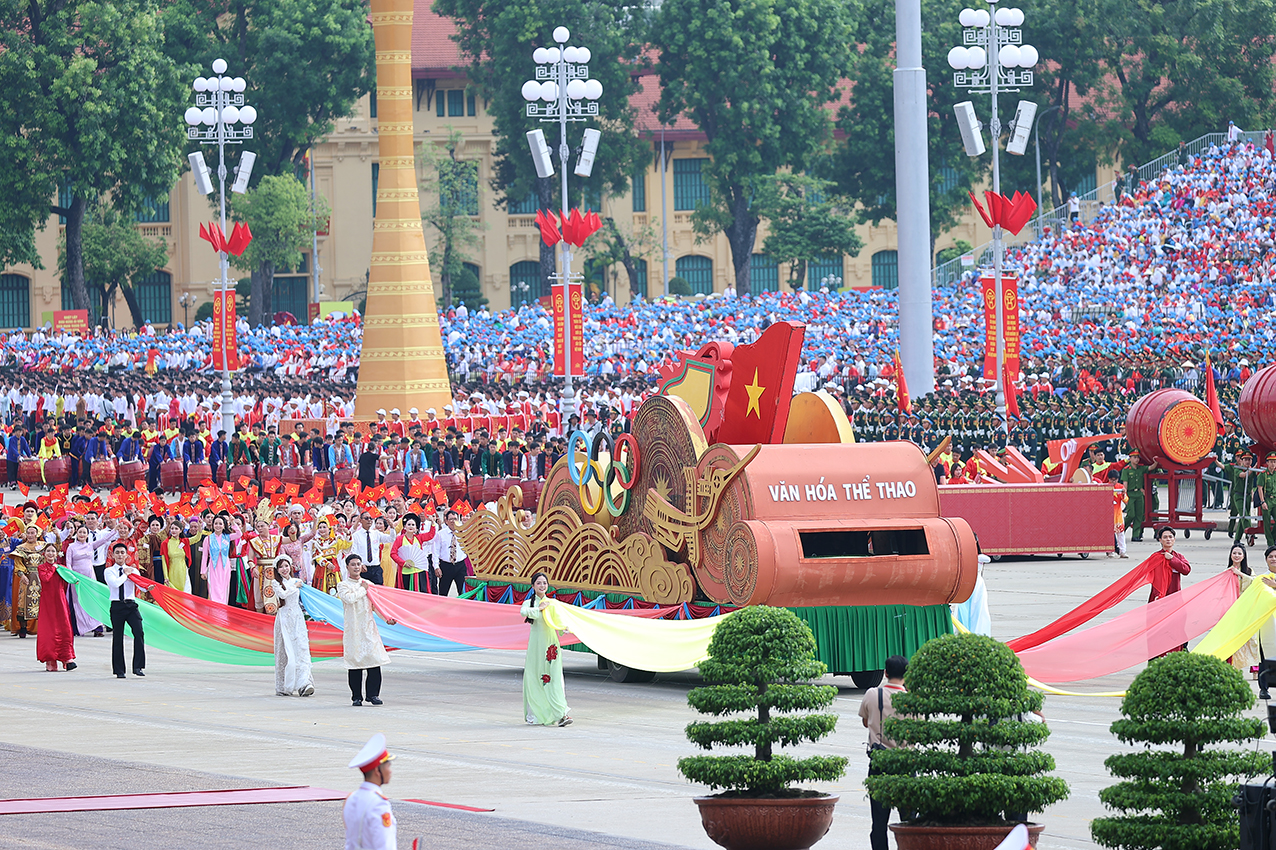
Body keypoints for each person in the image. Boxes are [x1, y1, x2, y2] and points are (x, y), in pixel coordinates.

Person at [860, 654, 908, 850]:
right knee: (909, 820)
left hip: (879, 763)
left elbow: (865, 721)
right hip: (905, 764)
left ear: (885, 673)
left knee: (879, 821)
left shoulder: (872, 694)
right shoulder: (911, 700)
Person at [336, 554, 394, 706]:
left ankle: (373, 695)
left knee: (374, 660)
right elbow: (349, 599)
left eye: (358, 564)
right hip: (353, 628)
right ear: (347, 567)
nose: (356, 567)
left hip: (368, 627)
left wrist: (387, 618)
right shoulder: (343, 585)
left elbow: (376, 605)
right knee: (355, 663)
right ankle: (356, 697)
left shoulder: (368, 583)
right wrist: (363, 589)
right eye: (353, 564)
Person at [519, 571, 571, 726]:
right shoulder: (530, 603)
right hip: (536, 646)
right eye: (539, 583)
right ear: (533, 586)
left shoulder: (553, 603)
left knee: (555, 679)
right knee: (535, 678)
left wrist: (564, 627)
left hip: (551, 645)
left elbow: (559, 620)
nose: (542, 586)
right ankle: (535, 715)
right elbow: (523, 612)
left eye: (544, 583)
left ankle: (561, 714)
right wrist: (539, 609)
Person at [344, 733, 397, 850]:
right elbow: (384, 846)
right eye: (388, 766)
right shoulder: (379, 804)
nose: (391, 771)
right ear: (377, 771)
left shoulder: (351, 799)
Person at [271, 555, 314, 697]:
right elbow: (282, 595)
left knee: (301, 648)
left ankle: (304, 683)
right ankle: (284, 685)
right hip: (284, 619)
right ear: (277, 569)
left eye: (286, 566)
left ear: (291, 566)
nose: (284, 569)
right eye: (281, 567)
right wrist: (294, 586)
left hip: (297, 617)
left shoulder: (297, 581)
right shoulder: (275, 583)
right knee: (285, 651)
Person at [104, 541, 146, 678]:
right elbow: (115, 584)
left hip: (131, 605)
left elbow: (141, 586)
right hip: (117, 606)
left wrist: (149, 587)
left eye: (122, 552)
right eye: (117, 553)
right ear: (113, 555)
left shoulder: (133, 570)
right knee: (118, 637)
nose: (120, 555)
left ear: (127, 555)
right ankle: (119, 670)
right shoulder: (109, 571)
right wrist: (126, 575)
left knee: (139, 632)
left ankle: (138, 666)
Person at [35, 543, 75, 672]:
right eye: (48, 551)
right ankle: (50, 660)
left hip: (60, 601)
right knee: (49, 630)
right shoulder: (42, 567)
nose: (51, 553)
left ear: (57, 554)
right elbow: (45, 579)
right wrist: (54, 568)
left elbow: (67, 582)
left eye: (53, 551)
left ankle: (67, 658)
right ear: (44, 554)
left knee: (65, 628)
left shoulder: (62, 568)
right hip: (47, 603)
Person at [1227, 544, 1260, 675]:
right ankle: (1235, 666)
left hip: (1247, 608)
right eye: (1234, 553)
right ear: (1230, 555)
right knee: (1234, 639)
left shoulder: (1249, 571)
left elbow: (1255, 583)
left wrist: (1240, 574)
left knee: (1252, 639)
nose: (1236, 556)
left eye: (1239, 553)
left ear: (1244, 556)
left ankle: (1255, 668)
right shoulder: (1227, 571)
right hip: (1232, 609)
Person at [1149, 525, 1191, 602]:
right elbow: (1152, 577)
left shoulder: (1178, 556)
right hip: (1159, 597)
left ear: (1174, 540)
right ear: (1160, 540)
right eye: (1165, 537)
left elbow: (1186, 570)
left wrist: (1172, 559)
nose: (1168, 539)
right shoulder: (1155, 557)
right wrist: (1157, 594)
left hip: (1175, 595)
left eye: (1170, 537)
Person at [432, 509, 468, 596]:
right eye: (451, 519)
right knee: (443, 592)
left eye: (455, 519)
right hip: (446, 566)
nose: (453, 521)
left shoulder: (463, 532)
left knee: (463, 592)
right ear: (446, 521)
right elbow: (435, 551)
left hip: (460, 565)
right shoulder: (440, 534)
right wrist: (436, 567)